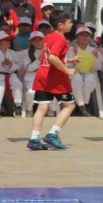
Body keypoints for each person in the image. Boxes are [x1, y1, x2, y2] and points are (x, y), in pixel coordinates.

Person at [27, 11, 78, 151]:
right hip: (55, 77)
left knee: (42, 107)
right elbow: (53, 57)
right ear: (61, 25)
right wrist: (67, 70)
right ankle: (53, 134)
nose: (71, 25)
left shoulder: (48, 37)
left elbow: (48, 56)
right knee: (69, 105)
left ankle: (34, 138)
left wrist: (69, 59)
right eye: (69, 22)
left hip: (42, 74)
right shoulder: (60, 39)